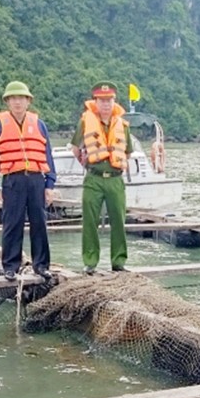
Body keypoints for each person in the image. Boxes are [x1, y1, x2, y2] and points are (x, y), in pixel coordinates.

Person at [0, 80, 57, 281]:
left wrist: (50, 184)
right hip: (13, 180)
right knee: (12, 222)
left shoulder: (39, 124)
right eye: (13, 99)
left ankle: (41, 265)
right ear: (7, 102)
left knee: (39, 222)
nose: (17, 102)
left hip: (36, 179)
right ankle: (10, 266)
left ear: (28, 101)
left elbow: (48, 155)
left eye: (21, 98)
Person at [71, 81, 133, 274]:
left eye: (109, 100)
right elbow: (75, 149)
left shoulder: (123, 125)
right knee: (90, 221)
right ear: (95, 101)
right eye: (102, 100)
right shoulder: (85, 122)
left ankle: (118, 261)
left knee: (119, 220)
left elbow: (128, 152)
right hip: (94, 178)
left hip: (115, 178)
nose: (106, 104)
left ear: (114, 102)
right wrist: (90, 164)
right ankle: (90, 262)